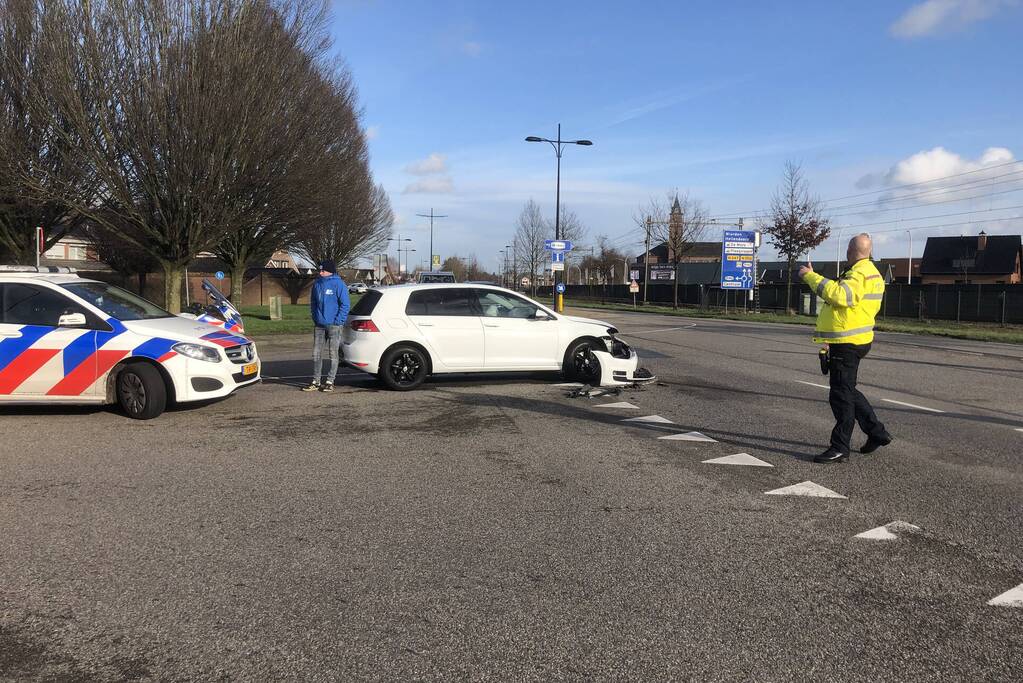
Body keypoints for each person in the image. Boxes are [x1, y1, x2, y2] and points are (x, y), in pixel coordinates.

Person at [798, 233, 892, 463]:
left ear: (851, 252)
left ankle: (840, 447)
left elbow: (840, 296)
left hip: (848, 343)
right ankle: (876, 432)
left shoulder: (859, 274)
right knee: (847, 389)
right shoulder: (870, 273)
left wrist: (810, 277)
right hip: (855, 339)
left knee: (840, 395)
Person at [302, 260, 350, 393]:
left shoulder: (339, 284)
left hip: (334, 326)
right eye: (320, 270)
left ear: (330, 271)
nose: (320, 272)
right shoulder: (317, 283)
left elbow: (345, 304)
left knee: (333, 354)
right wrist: (315, 316)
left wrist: (338, 321)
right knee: (316, 353)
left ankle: (330, 381)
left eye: (323, 270)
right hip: (319, 325)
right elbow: (313, 302)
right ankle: (316, 381)